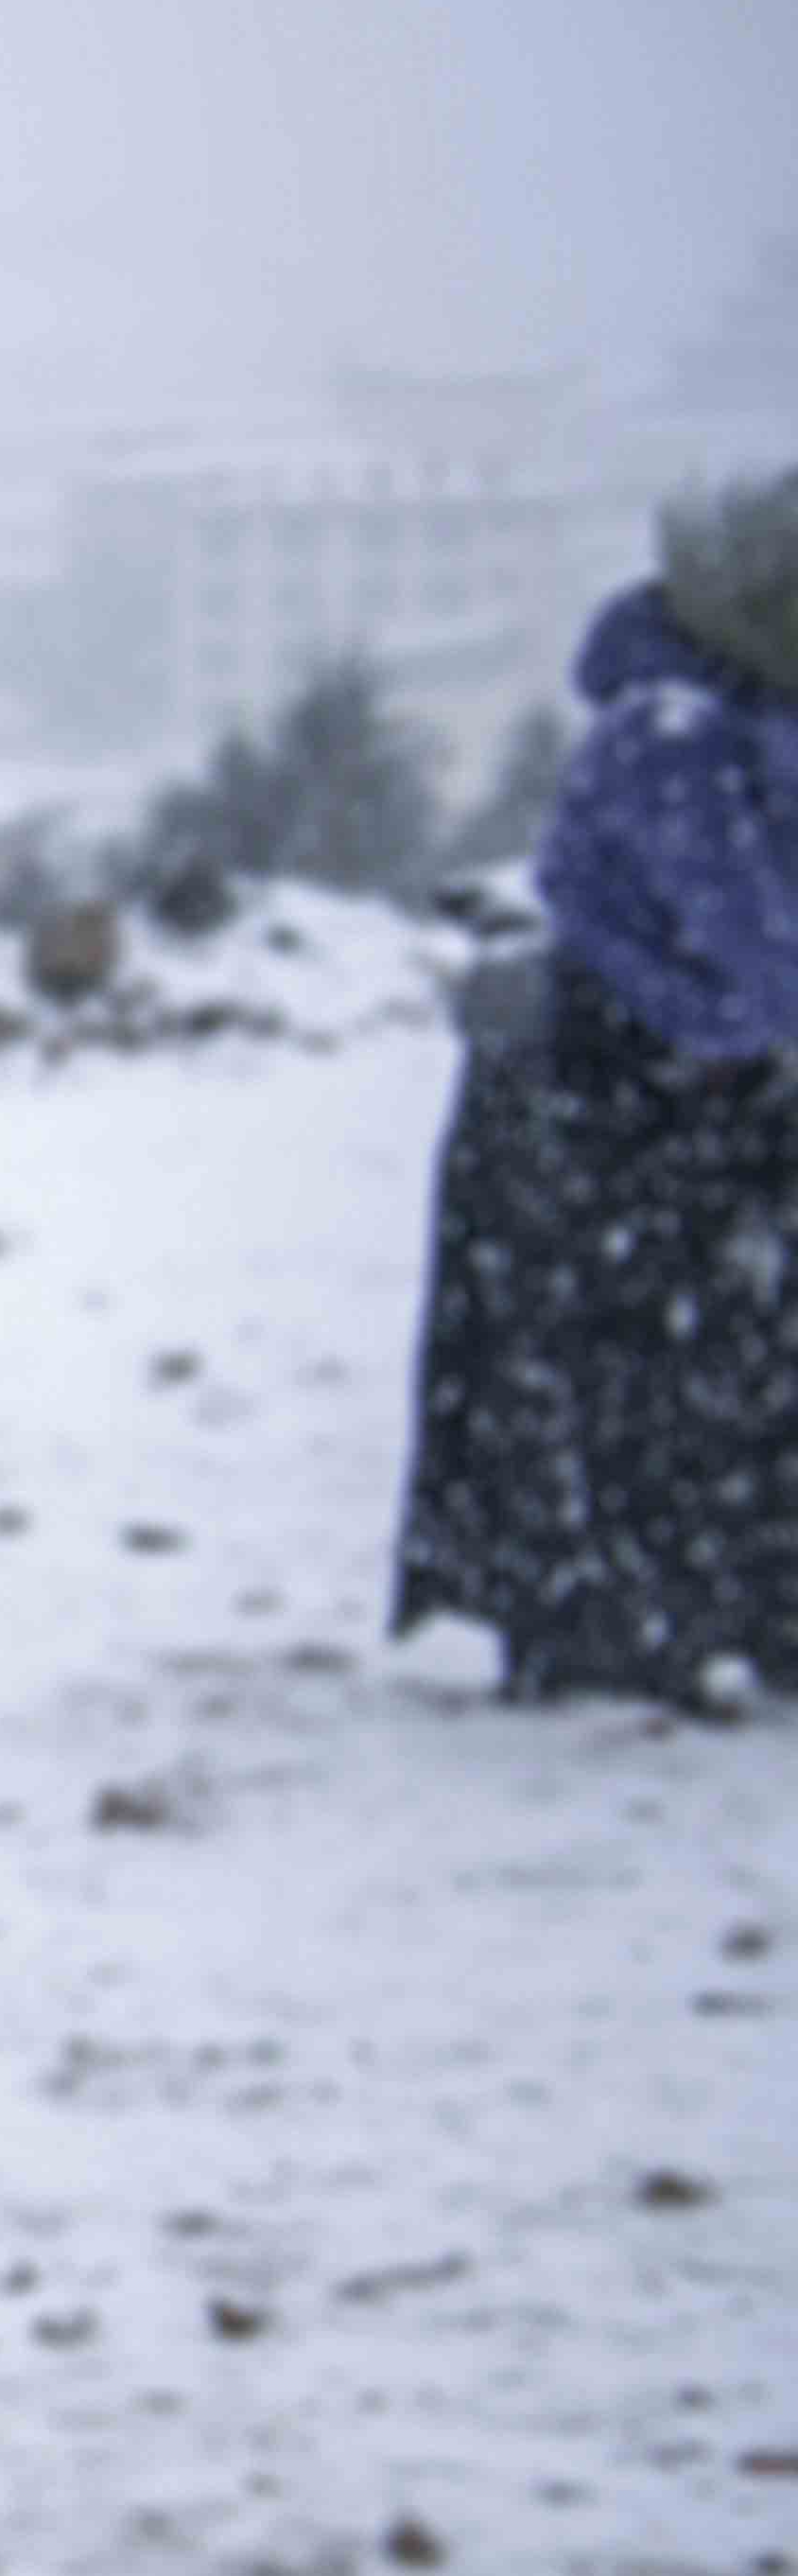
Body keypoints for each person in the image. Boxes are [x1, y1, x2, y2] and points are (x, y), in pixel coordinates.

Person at [397, 469, 798, 1704]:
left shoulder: (745, 719)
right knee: (623, 1371)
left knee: (718, 1366)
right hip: (611, 1090)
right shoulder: (666, 731)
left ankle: (710, 1611)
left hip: (705, 1093)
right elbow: (752, 943)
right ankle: (607, 1622)